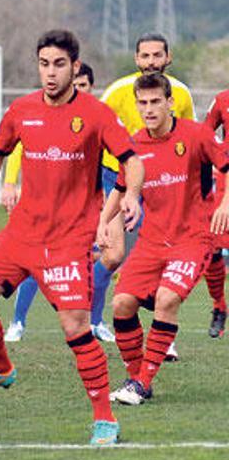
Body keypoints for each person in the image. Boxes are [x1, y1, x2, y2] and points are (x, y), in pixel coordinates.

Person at [0, 30, 144, 446]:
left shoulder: (96, 114)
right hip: (21, 233)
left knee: (75, 328)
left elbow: (131, 159)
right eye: (44, 64)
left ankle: (105, 420)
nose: (50, 72)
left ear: (76, 67)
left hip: (68, 240)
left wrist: (130, 195)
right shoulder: (21, 110)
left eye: (59, 64)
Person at [105, 73, 229, 405]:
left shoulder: (195, 134)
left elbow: (227, 163)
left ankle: (143, 382)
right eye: (142, 103)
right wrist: (104, 222)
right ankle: (135, 379)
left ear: (169, 102)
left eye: (155, 101)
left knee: (166, 299)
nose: (149, 109)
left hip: (193, 239)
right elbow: (119, 190)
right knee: (121, 304)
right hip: (151, 242)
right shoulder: (133, 146)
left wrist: (226, 203)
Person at [98, 32, 196, 360]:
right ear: (136, 59)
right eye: (145, 55)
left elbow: (189, 140)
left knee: (159, 255)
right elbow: (95, 133)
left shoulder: (180, 93)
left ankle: (162, 334)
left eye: (157, 55)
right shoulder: (116, 92)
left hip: (162, 182)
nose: (151, 61)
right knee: (113, 257)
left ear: (168, 58)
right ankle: (93, 315)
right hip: (118, 178)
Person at [1, 63, 114, 342]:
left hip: (86, 206)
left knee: (100, 260)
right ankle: (17, 322)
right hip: (44, 205)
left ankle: (95, 322)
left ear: (91, 88)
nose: (78, 88)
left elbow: (116, 157)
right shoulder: (45, 114)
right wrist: (10, 182)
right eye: (76, 82)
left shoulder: (96, 117)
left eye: (84, 84)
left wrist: (119, 194)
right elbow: (17, 146)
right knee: (35, 260)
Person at [202, 90, 229, 338]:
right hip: (224, 186)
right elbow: (205, 133)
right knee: (212, 251)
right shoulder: (222, 100)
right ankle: (219, 306)